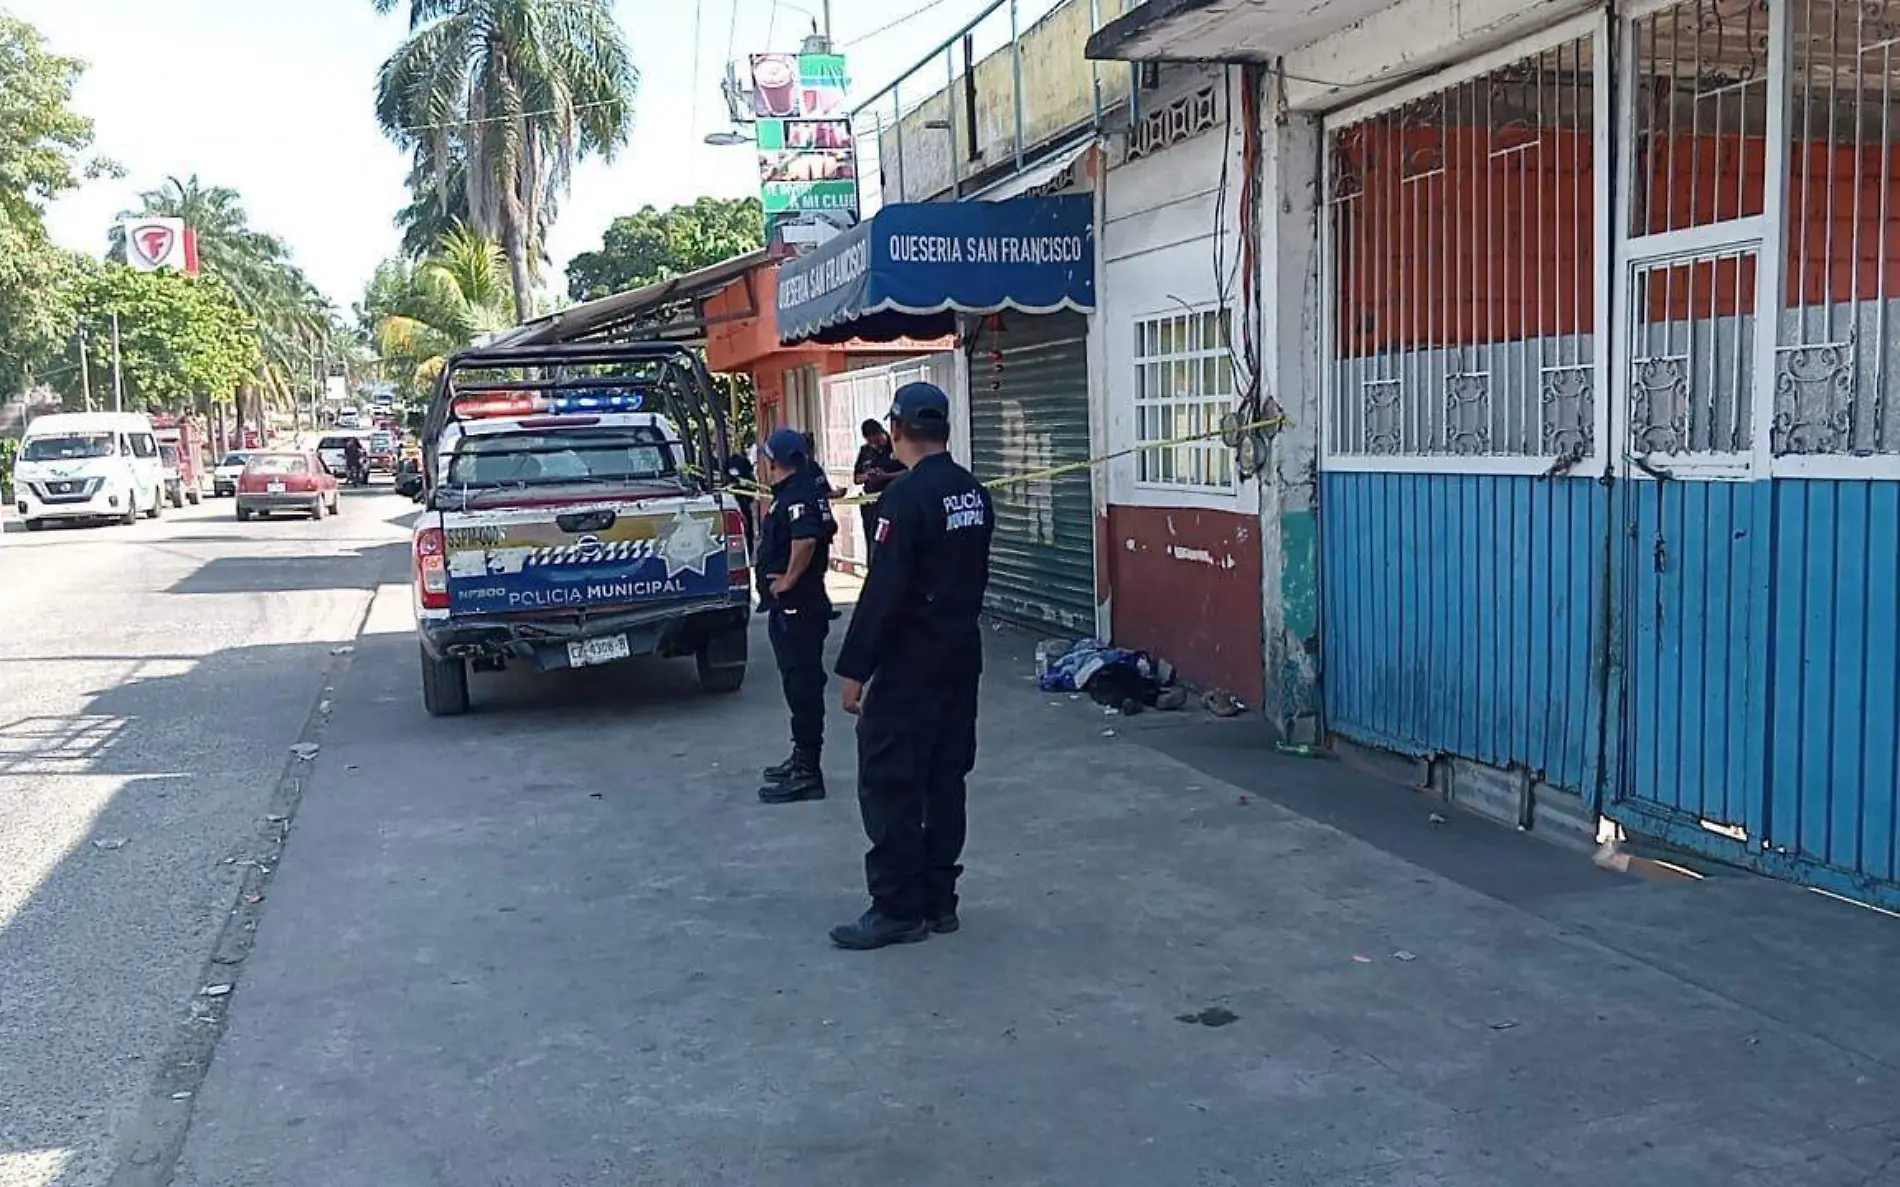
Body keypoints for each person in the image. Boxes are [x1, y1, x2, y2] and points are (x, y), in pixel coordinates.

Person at [829, 381, 994, 950]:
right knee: (945, 780)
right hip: (958, 658)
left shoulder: (905, 499)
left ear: (896, 431)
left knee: (892, 783)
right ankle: (939, 900)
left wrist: (856, 670)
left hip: (909, 666)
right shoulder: (972, 491)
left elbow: (884, 592)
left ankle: (898, 907)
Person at [754, 427, 837, 805]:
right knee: (796, 682)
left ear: (774, 461)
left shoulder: (798, 495)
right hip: (798, 605)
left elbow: (805, 540)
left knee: (802, 684)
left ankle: (808, 772)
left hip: (798, 605)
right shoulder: (800, 490)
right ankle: (801, 757)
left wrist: (787, 580)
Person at [851, 418, 906, 564]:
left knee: (891, 539)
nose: (873, 444)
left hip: (893, 501)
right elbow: (856, 478)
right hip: (870, 504)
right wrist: (868, 475)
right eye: (870, 441)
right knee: (872, 539)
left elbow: (910, 471)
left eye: (875, 440)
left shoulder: (896, 447)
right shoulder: (865, 451)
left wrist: (886, 476)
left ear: (880, 432)